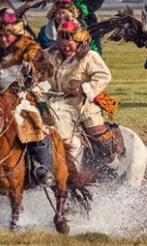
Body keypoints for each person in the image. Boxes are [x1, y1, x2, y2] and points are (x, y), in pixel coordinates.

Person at [0, 11, 54, 186]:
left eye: (7, 36)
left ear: (15, 34)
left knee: (38, 123)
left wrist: (31, 74)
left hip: (28, 96)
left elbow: (48, 70)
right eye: (0, 35)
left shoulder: (30, 48)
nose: (3, 39)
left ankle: (42, 167)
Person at [36, 20, 120, 165]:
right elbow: (36, 67)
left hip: (82, 103)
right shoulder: (50, 55)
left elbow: (104, 76)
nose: (66, 48)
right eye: (63, 45)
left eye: (70, 45)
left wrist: (84, 88)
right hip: (53, 100)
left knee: (98, 137)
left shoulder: (90, 56)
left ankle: (112, 165)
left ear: (79, 43)